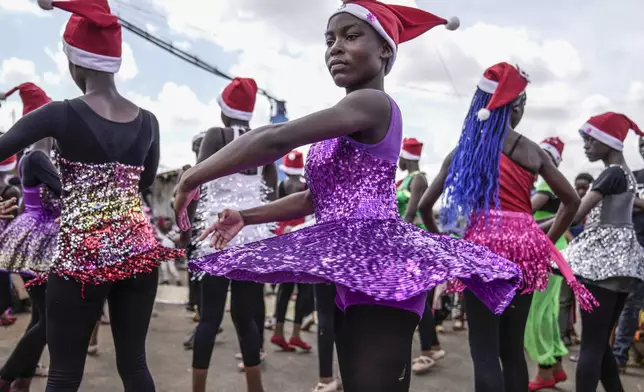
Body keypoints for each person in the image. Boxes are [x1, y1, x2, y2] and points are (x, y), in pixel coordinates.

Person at [175, 3, 522, 391]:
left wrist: (192, 177)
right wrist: (246, 215)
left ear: (385, 50)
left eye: (351, 36)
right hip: (351, 267)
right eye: (329, 40)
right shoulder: (346, 116)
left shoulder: (372, 103)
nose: (335, 48)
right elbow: (314, 199)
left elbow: (274, 138)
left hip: (380, 272)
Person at [0, 1, 183, 390]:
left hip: (82, 253)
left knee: (66, 371)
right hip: (138, 249)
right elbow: (145, 181)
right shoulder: (148, 121)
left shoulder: (60, 113)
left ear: (75, 62)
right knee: (134, 364)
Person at [418, 62, 593, 392]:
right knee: (512, 350)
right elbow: (571, 201)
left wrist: (444, 244)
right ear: (518, 106)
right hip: (524, 250)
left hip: (480, 248)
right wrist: (544, 243)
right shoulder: (531, 150)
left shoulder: (465, 150)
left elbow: (426, 206)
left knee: (484, 351)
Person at [189, 77, 277, 392]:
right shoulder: (263, 139)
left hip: (217, 236)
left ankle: (198, 388)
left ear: (225, 111)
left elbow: (196, 181)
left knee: (210, 318)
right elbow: (272, 194)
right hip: (250, 238)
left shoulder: (216, 135)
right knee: (246, 317)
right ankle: (256, 388)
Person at [556, 113, 644, 392]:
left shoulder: (611, 173)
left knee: (591, 348)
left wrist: (538, 231)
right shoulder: (627, 174)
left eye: (591, 139)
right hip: (622, 266)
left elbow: (576, 214)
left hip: (600, 265)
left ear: (609, 141)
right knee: (601, 343)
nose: (586, 145)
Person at [0, 134, 60, 392]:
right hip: (38, 246)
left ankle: (21, 383)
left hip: (42, 243)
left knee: (41, 318)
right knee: (50, 320)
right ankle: (5, 378)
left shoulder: (42, 157)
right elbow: (66, 192)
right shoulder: (36, 157)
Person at [523, 137, 570, 391]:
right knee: (548, 312)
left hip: (545, 250)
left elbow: (526, 209)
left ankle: (543, 369)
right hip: (554, 248)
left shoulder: (546, 180)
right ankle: (556, 368)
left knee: (536, 313)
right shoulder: (553, 179)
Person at [396, 137, 445, 373]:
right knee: (415, 297)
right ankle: (433, 345)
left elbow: (411, 212)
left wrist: (395, 242)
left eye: (401, 156)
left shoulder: (418, 179)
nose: (398, 160)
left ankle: (427, 351)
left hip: (416, 246)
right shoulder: (404, 180)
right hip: (408, 243)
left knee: (418, 298)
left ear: (408, 156)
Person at [271, 150, 314, 352]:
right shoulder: (307, 187)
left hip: (283, 239)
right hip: (303, 240)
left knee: (284, 288)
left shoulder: (282, 185)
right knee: (303, 289)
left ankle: (278, 332)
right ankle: (295, 334)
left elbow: (278, 211)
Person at [612, 136, 644, 373]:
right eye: (641, 145)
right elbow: (618, 203)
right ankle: (619, 356)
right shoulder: (633, 177)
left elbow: (627, 202)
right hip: (632, 248)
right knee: (629, 304)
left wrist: (634, 202)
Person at [560, 172, 594, 347]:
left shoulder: (595, 208)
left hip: (588, 261)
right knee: (565, 299)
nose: (581, 191)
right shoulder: (570, 205)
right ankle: (563, 334)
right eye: (578, 187)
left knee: (584, 300)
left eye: (585, 188)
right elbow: (562, 225)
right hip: (570, 259)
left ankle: (580, 335)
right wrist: (574, 242)